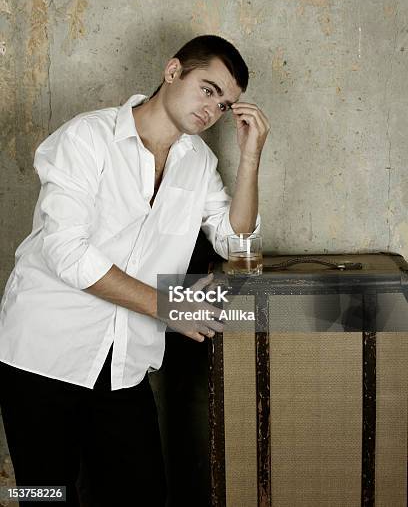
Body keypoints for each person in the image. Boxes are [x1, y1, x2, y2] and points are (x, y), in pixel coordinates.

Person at [0, 35, 270, 506]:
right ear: (172, 72)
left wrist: (250, 156)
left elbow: (235, 239)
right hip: (40, 356)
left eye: (225, 105)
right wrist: (169, 305)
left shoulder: (198, 162)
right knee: (43, 496)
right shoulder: (87, 137)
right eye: (208, 89)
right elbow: (67, 251)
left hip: (124, 363)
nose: (213, 109)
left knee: (141, 495)